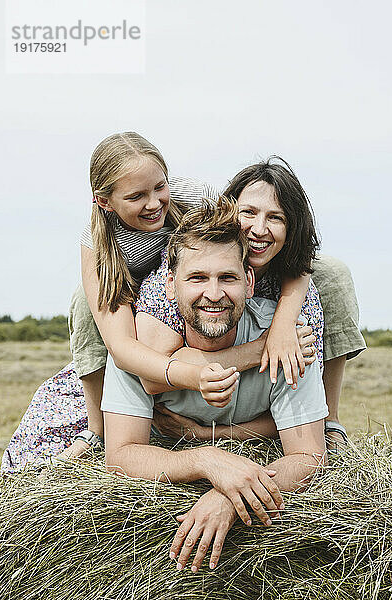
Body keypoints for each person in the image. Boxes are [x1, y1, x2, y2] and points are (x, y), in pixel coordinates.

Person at [102, 197, 329, 573]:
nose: (213, 294)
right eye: (197, 278)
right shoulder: (139, 348)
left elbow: (309, 457)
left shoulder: (285, 339)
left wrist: (232, 495)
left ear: (249, 282)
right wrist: (208, 461)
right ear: (171, 286)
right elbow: (120, 455)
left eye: (227, 277)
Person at [135, 157, 366, 448]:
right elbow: (155, 373)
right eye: (249, 213)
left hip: (246, 409)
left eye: (275, 218)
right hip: (179, 401)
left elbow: (299, 402)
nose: (259, 228)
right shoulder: (181, 276)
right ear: (230, 213)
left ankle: (332, 419)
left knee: (335, 273)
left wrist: (210, 436)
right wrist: (260, 350)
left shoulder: (299, 293)